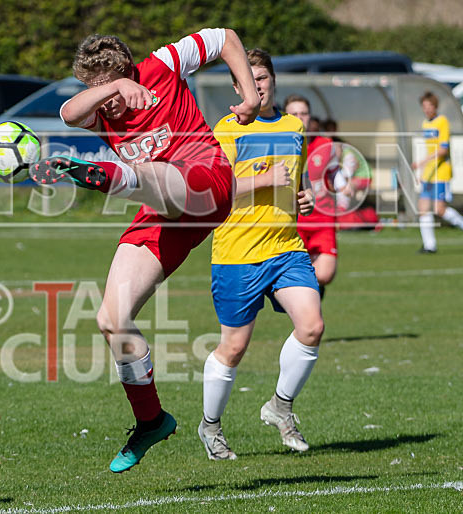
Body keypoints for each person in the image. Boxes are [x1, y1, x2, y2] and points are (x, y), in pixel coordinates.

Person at [28, 28, 260, 473]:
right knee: (111, 320)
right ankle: (151, 419)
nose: (103, 101)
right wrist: (111, 89)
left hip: (205, 182)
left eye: (109, 86)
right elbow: (66, 113)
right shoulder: (102, 104)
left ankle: (106, 178)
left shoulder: (164, 65)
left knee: (153, 172)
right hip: (159, 209)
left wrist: (249, 96)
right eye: (94, 90)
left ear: (129, 69)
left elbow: (226, 37)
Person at [200, 49, 320, 461]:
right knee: (233, 348)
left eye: (264, 77)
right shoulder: (227, 129)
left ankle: (280, 407)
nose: (258, 85)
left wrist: (304, 197)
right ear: (238, 88)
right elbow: (216, 192)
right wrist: (268, 178)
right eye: (248, 79)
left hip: (286, 246)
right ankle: (211, 427)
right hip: (238, 251)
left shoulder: (292, 126)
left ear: (272, 81)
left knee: (312, 326)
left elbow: (294, 184)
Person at [284, 95, 337, 298]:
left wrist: (344, 185)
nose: (300, 117)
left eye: (304, 113)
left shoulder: (326, 145)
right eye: (294, 113)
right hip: (292, 221)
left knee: (324, 274)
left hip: (322, 219)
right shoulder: (280, 145)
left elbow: (337, 176)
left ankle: (308, 295)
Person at [412, 91, 463, 253]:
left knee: (439, 209)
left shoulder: (442, 122)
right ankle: (430, 245)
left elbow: (442, 150)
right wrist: (423, 169)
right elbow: (430, 149)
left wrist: (422, 162)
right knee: (423, 208)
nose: (427, 110)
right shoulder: (425, 123)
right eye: (424, 107)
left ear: (435, 106)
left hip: (441, 172)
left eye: (430, 106)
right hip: (429, 173)